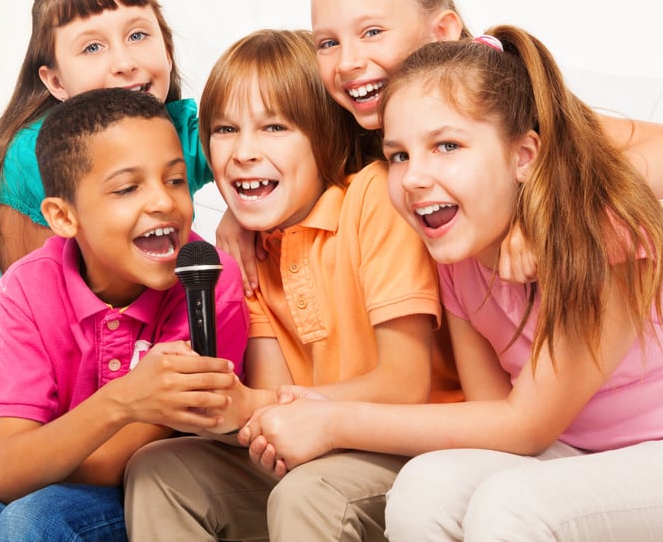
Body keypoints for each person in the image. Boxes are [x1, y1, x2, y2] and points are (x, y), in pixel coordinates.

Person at [238, 27, 663, 542]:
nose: (415, 177)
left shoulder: (608, 232)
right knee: (425, 488)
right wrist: (309, 404)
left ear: (523, 156)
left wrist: (337, 420)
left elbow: (527, 424)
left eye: (447, 146)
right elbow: (494, 417)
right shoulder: (455, 259)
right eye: (397, 155)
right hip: (601, 456)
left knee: (514, 505)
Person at [218, 0, 663, 291]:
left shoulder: (501, 101)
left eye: (372, 32)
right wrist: (245, 217)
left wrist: (551, 205)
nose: (348, 61)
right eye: (327, 42)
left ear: (441, 32)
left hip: (649, 269)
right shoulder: (354, 129)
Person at [124, 29, 450, 541]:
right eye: (226, 129)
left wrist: (253, 407)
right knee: (158, 471)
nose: (244, 152)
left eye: (274, 127)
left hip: (410, 451)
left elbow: (405, 384)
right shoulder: (245, 250)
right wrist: (221, 405)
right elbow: (273, 398)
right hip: (318, 452)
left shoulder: (373, 199)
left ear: (325, 134)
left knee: (307, 492)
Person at [0, 87, 248, 542]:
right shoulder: (28, 288)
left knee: (35, 520)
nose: (164, 202)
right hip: (55, 481)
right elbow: (9, 467)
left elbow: (116, 462)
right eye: (128, 188)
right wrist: (124, 399)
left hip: (151, 488)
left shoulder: (205, 280)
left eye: (175, 180)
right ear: (64, 217)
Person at [0, 0, 211, 434]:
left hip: (132, 369)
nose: (124, 61)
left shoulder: (183, 127)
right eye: (92, 47)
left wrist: (247, 223)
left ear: (166, 47)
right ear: (56, 81)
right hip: (60, 389)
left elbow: (274, 154)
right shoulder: (36, 153)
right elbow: (63, 327)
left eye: (138, 35)